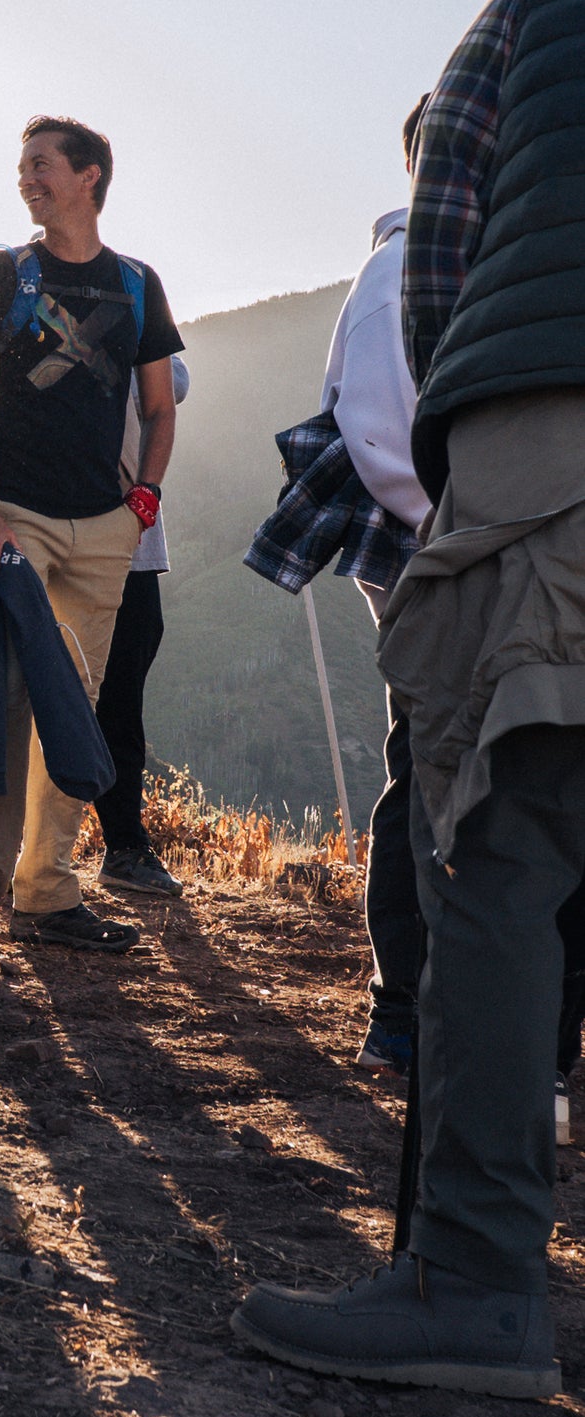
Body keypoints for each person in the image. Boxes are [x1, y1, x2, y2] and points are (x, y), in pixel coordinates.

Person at [234, 0, 585, 1400]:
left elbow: (440, 248)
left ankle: (476, 1278)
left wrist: (469, 445)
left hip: (549, 434)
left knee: (505, 846)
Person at [0, 115, 184, 949]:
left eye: (41, 164)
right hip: (16, 517)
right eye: (22, 165)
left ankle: (46, 891)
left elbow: (159, 405)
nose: (26, 178)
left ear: (89, 176)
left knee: (78, 710)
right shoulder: (2, 272)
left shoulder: (137, 283)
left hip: (107, 527)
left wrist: (144, 499)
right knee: (0, 695)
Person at [317, 97, 433, 1073]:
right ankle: (399, 1013)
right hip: (426, 559)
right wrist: (449, 531)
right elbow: (365, 430)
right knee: (430, 771)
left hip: (430, 551)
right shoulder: (400, 267)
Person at [91, 354, 190, 898]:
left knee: (122, 702)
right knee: (39, 693)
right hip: (57, 536)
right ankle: (14, 847)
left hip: (134, 549)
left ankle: (124, 845)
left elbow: (175, 382)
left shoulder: (131, 294)